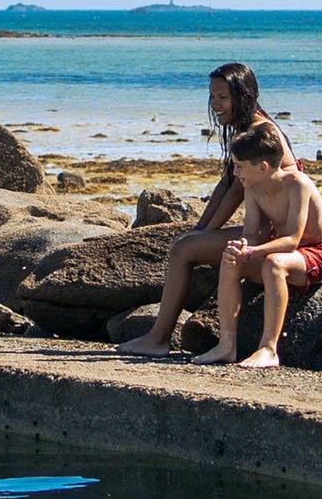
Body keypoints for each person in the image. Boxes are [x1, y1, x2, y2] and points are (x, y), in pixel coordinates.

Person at [117, 62, 301, 358]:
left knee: (183, 250)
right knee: (187, 242)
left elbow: (236, 192)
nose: (215, 104)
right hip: (262, 231)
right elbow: (226, 183)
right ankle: (159, 337)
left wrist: (206, 233)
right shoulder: (246, 129)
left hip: (273, 237)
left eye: (223, 98)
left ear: (244, 97)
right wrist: (201, 228)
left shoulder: (261, 133)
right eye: (212, 96)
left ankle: (159, 338)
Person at [192, 126, 322, 370]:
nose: (235, 173)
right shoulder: (253, 188)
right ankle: (226, 345)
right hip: (281, 251)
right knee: (230, 259)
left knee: (273, 264)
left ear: (263, 167)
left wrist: (254, 252)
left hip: (315, 253)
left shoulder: (298, 184)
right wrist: (242, 247)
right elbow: (250, 232)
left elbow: (292, 240)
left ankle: (269, 349)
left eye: (240, 166)